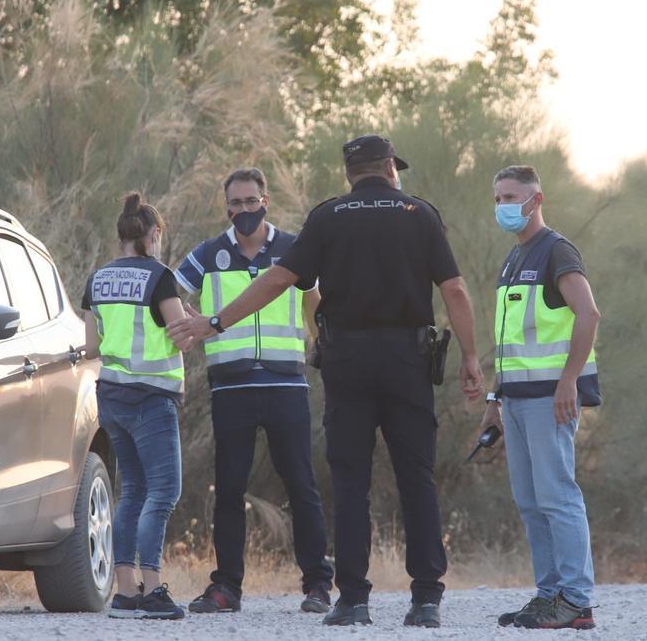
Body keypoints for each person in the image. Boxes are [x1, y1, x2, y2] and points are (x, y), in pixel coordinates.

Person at [168, 135, 484, 629]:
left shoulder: (327, 217)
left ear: (350, 173)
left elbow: (276, 281)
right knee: (417, 479)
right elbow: (456, 290)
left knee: (350, 480)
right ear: (388, 169)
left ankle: (353, 599)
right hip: (407, 359)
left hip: (348, 361)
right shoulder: (419, 214)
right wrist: (469, 357)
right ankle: (425, 600)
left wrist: (217, 322)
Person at [173, 168, 335, 615]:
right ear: (226, 207)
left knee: (302, 485)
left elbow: (317, 302)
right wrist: (186, 319)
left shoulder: (292, 249)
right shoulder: (208, 253)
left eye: (251, 201)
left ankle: (318, 585)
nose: (244, 210)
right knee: (229, 490)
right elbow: (168, 290)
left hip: (286, 384)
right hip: (232, 388)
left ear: (267, 201)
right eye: (236, 203)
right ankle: (226, 588)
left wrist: (326, 342)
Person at [480, 165, 601, 631]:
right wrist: (493, 401)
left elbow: (588, 314)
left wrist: (569, 380)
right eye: (497, 198)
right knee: (530, 501)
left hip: (550, 400)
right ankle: (549, 594)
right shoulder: (513, 258)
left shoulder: (557, 251)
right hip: (514, 401)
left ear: (536, 199)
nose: (503, 206)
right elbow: (509, 342)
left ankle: (575, 598)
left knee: (557, 496)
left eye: (511, 196)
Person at [82, 192, 190, 620]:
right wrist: (198, 328)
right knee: (164, 491)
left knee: (133, 493)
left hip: (111, 398)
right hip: (151, 399)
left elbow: (92, 344)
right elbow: (181, 332)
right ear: (153, 234)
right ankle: (153, 587)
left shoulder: (97, 279)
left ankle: (125, 592)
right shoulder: (159, 276)